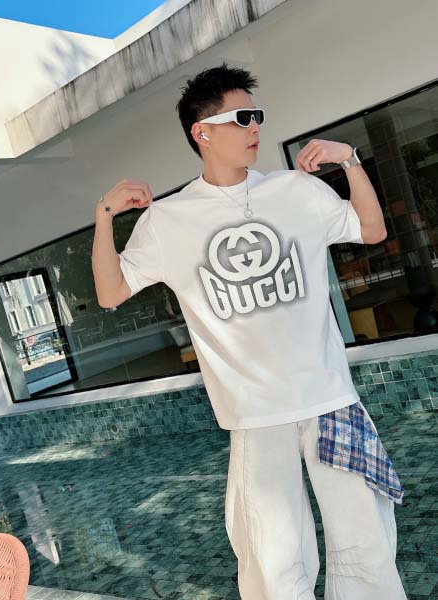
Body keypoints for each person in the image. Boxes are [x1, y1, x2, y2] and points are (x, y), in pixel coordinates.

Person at [91, 62, 408, 599]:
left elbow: (371, 229)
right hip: (254, 413)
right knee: (271, 554)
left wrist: (350, 160)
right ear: (202, 132)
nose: (255, 126)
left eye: (257, 115)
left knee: (365, 541)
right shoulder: (168, 220)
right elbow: (111, 292)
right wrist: (104, 215)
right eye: (242, 118)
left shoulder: (296, 190)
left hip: (328, 396)